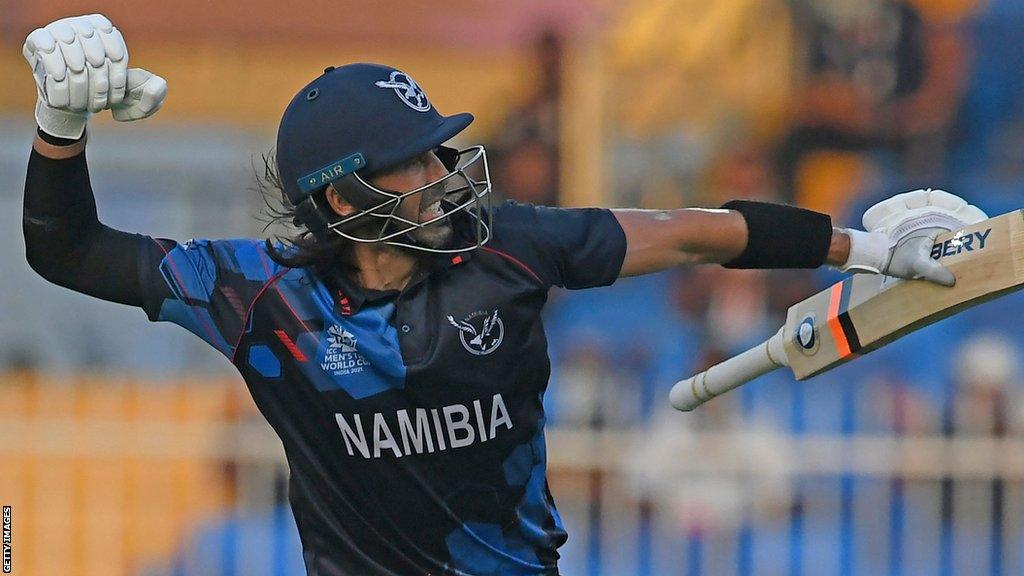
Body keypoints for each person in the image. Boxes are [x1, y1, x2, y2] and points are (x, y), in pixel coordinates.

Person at [22, 14, 988, 576]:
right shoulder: (256, 293)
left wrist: (860, 242)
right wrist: (61, 127)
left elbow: (700, 230)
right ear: (342, 194)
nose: (446, 170)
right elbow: (67, 250)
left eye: (441, 147)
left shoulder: (513, 246)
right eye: (415, 161)